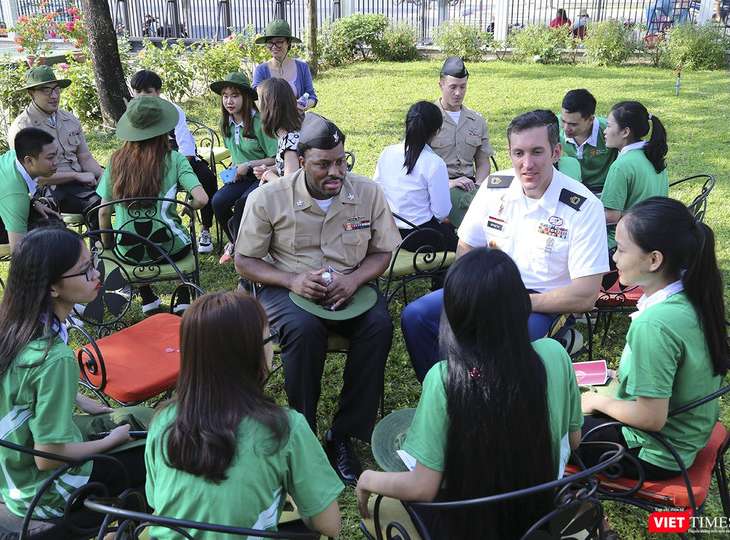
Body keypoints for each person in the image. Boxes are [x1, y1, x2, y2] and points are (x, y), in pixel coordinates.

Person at [356, 249, 583, 539]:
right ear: (521, 304)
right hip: (541, 519)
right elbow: (574, 439)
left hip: (467, 526)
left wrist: (368, 479)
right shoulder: (555, 354)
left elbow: (422, 488)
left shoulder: (445, 378)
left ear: (453, 311)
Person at [234, 113, 401, 484]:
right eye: (323, 164)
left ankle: (343, 435)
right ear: (302, 161)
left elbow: (382, 252)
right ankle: (304, 435)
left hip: (350, 286)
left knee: (378, 325)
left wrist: (355, 278)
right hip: (285, 287)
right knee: (304, 329)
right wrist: (291, 280)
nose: (335, 172)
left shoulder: (367, 192)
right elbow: (244, 261)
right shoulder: (269, 197)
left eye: (341, 162)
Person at [401, 110, 608, 382]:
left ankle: (490, 410)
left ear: (556, 152)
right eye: (519, 153)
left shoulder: (582, 207)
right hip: (490, 289)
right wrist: (476, 291)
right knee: (416, 316)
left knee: (497, 344)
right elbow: (466, 247)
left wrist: (514, 303)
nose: (527, 164)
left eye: (537, 152)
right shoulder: (496, 186)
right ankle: (447, 396)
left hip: (544, 302)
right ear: (509, 153)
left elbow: (585, 295)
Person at [0, 227, 148, 526]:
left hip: (13, 471)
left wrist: (75, 397)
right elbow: (48, 457)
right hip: (46, 492)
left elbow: (25, 387)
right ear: (51, 287)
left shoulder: (14, 325)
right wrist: (111, 441)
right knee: (162, 454)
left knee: (142, 417)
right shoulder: (54, 357)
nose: (97, 274)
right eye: (85, 270)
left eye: (93, 261)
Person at [145, 292, 343, 538]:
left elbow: (157, 503)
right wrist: (298, 498)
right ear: (251, 354)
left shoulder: (162, 420)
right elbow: (329, 525)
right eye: (269, 337)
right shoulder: (285, 428)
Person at [580, 197, 730, 481]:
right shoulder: (691, 295)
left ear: (654, 260)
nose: (614, 257)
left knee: (545, 429)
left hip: (655, 452)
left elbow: (651, 418)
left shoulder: (654, 325)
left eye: (621, 250)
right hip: (685, 435)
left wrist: (596, 402)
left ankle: (580, 516)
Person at [96, 95, 209, 313]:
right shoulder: (174, 159)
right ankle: (183, 295)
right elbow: (202, 198)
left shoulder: (115, 161)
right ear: (164, 129)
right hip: (169, 249)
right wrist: (189, 206)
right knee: (176, 236)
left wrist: (109, 245)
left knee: (134, 236)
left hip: (128, 250)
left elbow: (103, 213)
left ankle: (147, 297)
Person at [130, 69, 219, 254]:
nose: (142, 96)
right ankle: (146, 231)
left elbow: (185, 147)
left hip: (177, 159)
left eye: (148, 91)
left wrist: (173, 169)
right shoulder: (132, 112)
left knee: (208, 178)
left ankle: (205, 229)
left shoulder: (172, 111)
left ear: (158, 92)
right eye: (138, 92)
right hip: (146, 162)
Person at [8, 65, 104, 227]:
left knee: (123, 192)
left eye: (56, 89)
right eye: (46, 90)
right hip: (50, 188)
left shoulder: (69, 119)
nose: (54, 96)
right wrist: (77, 176)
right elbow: (32, 177)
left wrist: (102, 175)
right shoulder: (24, 127)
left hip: (80, 183)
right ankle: (102, 249)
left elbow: (85, 157)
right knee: (98, 204)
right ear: (31, 94)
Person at [208, 72, 277, 263]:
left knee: (243, 203)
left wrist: (247, 165)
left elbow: (276, 158)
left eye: (235, 96)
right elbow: (237, 153)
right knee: (218, 201)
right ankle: (235, 242)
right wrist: (234, 168)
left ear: (246, 98)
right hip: (242, 176)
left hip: (265, 175)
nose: (229, 101)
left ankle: (243, 251)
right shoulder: (226, 124)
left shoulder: (260, 123)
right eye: (225, 96)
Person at [373, 100, 457, 251]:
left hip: (388, 231)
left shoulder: (387, 152)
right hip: (420, 235)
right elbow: (441, 211)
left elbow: (377, 190)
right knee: (463, 245)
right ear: (436, 132)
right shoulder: (434, 163)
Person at [429, 57, 494, 228]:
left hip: (470, 188)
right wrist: (449, 184)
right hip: (438, 188)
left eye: (463, 87)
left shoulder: (476, 120)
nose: (458, 93)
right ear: (441, 86)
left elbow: (482, 162)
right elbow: (415, 165)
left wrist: (478, 187)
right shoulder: (428, 118)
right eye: (453, 87)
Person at [601, 101, 668, 248]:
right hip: (653, 235)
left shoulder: (621, 166)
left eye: (609, 126)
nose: (605, 131)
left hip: (622, 241)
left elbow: (611, 217)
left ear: (625, 132)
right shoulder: (653, 156)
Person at [558, 89, 618, 193]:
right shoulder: (554, 126)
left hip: (601, 189)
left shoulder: (608, 132)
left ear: (590, 120)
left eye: (573, 124)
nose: (566, 128)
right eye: (563, 121)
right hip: (569, 186)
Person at [252, 19, 317, 114]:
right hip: (272, 124)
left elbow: (312, 96)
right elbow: (259, 101)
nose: (274, 47)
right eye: (270, 43)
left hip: (297, 123)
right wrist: (289, 106)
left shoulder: (302, 67)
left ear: (288, 42)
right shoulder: (261, 70)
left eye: (279, 42)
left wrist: (305, 104)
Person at [252, 77, 303, 184]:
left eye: (259, 100)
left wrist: (267, 175)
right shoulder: (287, 132)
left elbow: (289, 183)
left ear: (268, 106)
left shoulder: (290, 140)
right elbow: (289, 166)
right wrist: (269, 169)